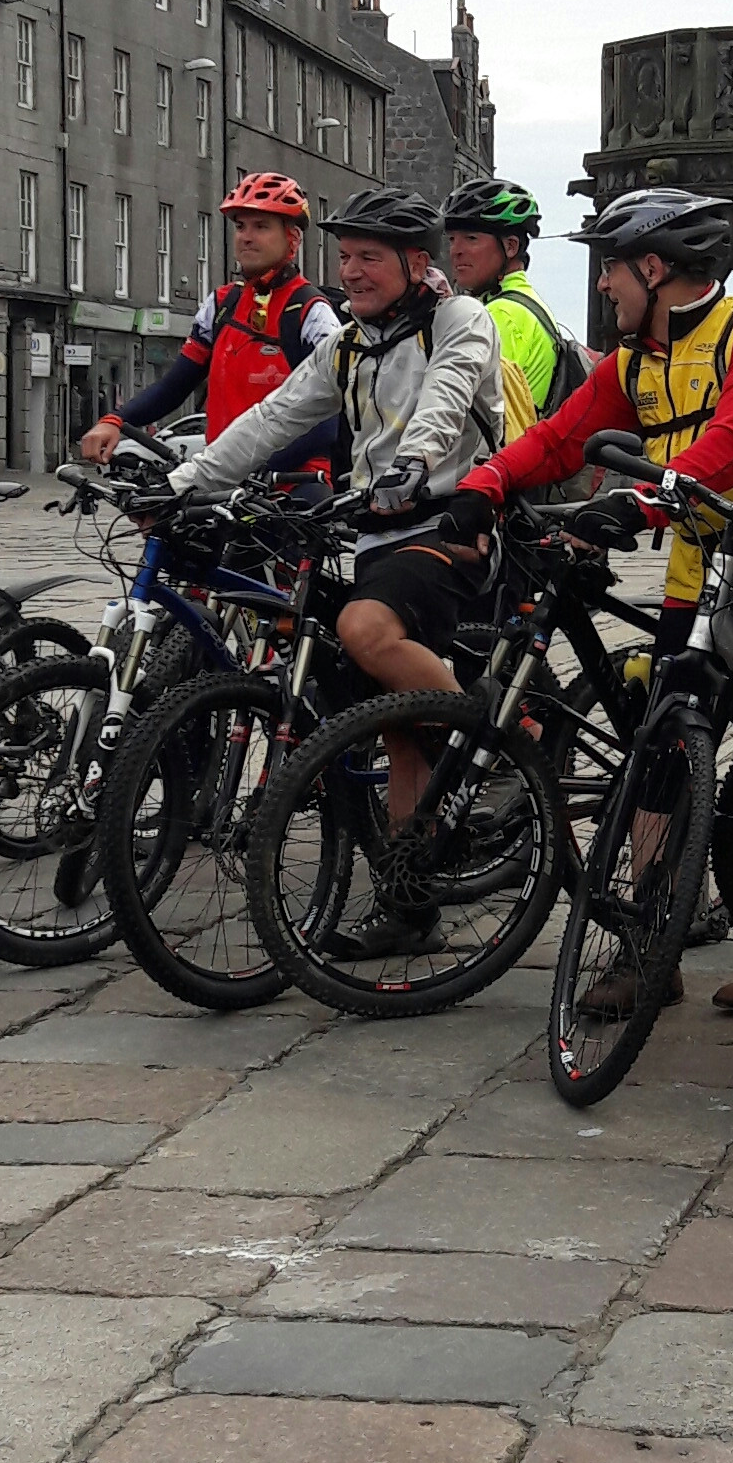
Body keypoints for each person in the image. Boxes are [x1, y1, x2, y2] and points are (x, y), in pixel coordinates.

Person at [442, 184, 733, 1015]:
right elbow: (561, 438)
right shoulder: (636, 360)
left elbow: (732, 445)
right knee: (657, 754)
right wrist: (487, 482)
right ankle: (646, 946)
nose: (602, 284)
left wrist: (640, 504)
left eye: (611, 268)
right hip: (699, 579)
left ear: (654, 268)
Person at [168, 185, 506, 952]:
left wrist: (414, 464)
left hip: (454, 528)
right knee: (394, 726)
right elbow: (272, 418)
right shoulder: (349, 342)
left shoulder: (459, 320)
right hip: (377, 536)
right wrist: (183, 484)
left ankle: (480, 743)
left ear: (416, 262)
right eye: (345, 256)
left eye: (369, 258)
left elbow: (448, 397)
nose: (350, 272)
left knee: (365, 629)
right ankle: (410, 906)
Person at [79, 172, 336, 460]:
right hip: (222, 475)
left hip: (293, 476)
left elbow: (328, 420)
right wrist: (114, 420)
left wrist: (252, 465)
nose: (246, 237)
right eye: (240, 227)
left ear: (293, 238)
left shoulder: (311, 312)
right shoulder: (222, 304)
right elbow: (174, 387)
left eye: (261, 226)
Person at [442, 180, 578, 418]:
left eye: (471, 238)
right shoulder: (522, 302)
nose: (456, 250)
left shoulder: (503, 314)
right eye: (452, 239)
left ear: (511, 246)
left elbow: (458, 408)